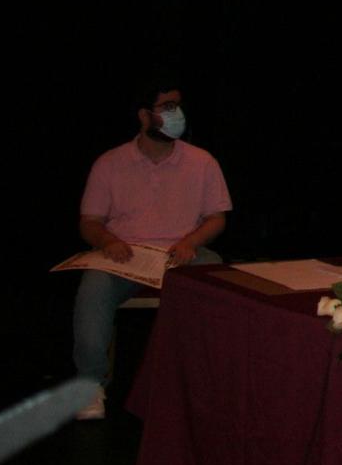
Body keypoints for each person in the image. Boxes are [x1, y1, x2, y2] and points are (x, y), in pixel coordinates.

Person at [73, 81, 231, 420]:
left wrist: (191, 240)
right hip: (124, 254)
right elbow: (89, 222)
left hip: (180, 252)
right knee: (93, 289)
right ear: (144, 115)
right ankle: (89, 385)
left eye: (179, 106)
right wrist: (107, 242)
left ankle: (204, 383)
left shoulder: (201, 162)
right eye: (167, 107)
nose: (177, 114)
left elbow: (216, 218)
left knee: (214, 273)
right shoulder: (110, 163)